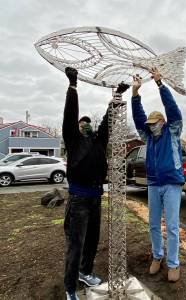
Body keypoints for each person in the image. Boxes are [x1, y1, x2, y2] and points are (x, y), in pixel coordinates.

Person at [63, 67, 128, 300]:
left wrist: (117, 95)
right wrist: (73, 86)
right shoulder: (73, 141)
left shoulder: (99, 141)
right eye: (83, 123)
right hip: (79, 199)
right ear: (78, 127)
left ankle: (85, 272)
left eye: (89, 122)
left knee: (92, 241)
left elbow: (108, 122)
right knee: (75, 245)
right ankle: (70, 289)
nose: (86, 125)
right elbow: (70, 116)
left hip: (95, 198)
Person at [131, 67, 185, 282]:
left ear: (162, 122)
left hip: (172, 183)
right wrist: (135, 94)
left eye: (154, 124)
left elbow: (173, 110)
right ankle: (157, 256)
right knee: (153, 223)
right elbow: (138, 118)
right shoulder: (148, 137)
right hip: (153, 184)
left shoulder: (173, 130)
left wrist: (160, 84)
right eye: (149, 125)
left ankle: (173, 264)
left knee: (171, 226)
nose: (151, 128)